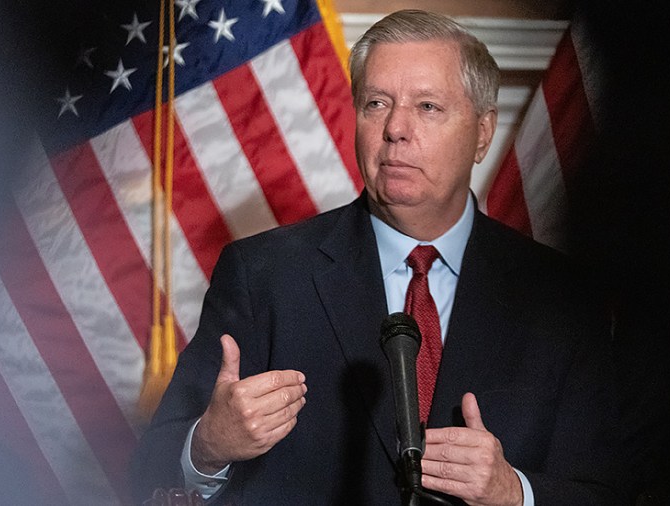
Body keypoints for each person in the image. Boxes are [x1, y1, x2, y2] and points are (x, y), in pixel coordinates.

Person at [132, 10, 626, 505]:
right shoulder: (263, 275)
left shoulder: (563, 297)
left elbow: (609, 491)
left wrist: (512, 492)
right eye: (376, 103)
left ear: (482, 132)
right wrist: (209, 446)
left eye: (428, 106)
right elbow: (146, 470)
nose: (395, 129)